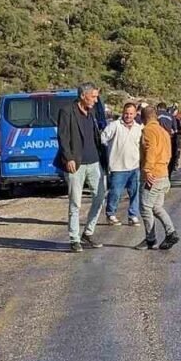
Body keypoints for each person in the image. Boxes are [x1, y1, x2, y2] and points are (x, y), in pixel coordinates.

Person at [56, 82, 109, 252]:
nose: (96, 100)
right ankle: (74, 238)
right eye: (93, 97)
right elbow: (63, 137)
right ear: (82, 95)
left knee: (100, 197)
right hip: (76, 164)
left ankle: (88, 232)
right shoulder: (67, 111)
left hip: (94, 163)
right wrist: (68, 158)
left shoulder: (92, 111)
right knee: (75, 203)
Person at [129, 105, 180, 251]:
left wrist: (147, 170)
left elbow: (150, 150)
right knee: (157, 207)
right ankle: (171, 232)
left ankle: (150, 239)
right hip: (163, 173)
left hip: (153, 175)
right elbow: (169, 153)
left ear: (143, 118)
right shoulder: (163, 131)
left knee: (145, 207)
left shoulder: (148, 130)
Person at [101, 101, 143, 226]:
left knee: (134, 193)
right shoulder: (114, 125)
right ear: (123, 113)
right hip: (118, 167)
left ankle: (133, 215)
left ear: (135, 114)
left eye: (131, 114)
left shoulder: (139, 128)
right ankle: (111, 214)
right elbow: (103, 138)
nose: (128, 116)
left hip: (134, 166)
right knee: (115, 193)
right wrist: (109, 151)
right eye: (126, 113)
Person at [157, 103, 180, 178]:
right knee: (169, 157)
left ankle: (160, 174)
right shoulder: (171, 116)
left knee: (159, 157)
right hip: (169, 139)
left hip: (158, 139)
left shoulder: (156, 114)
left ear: (158, 108)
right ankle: (168, 175)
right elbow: (175, 130)